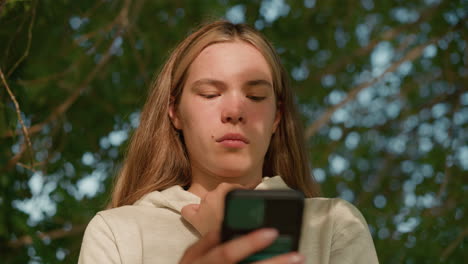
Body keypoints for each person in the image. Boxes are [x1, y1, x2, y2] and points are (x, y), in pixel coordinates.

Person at [78, 20, 379, 264]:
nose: (235, 111)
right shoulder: (119, 232)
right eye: (210, 94)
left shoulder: (332, 225)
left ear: (277, 117)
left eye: (256, 97)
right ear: (175, 112)